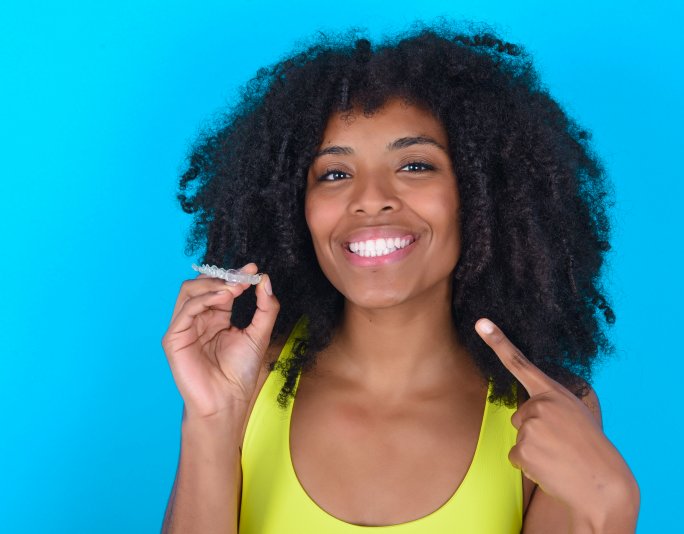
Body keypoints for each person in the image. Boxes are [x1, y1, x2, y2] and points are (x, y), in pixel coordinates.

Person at [161, 23, 639, 534]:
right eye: (335, 174)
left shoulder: (543, 411)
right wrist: (211, 423)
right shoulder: (245, 384)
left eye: (414, 165)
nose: (370, 197)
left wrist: (611, 509)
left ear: (481, 197)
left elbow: (601, 508)